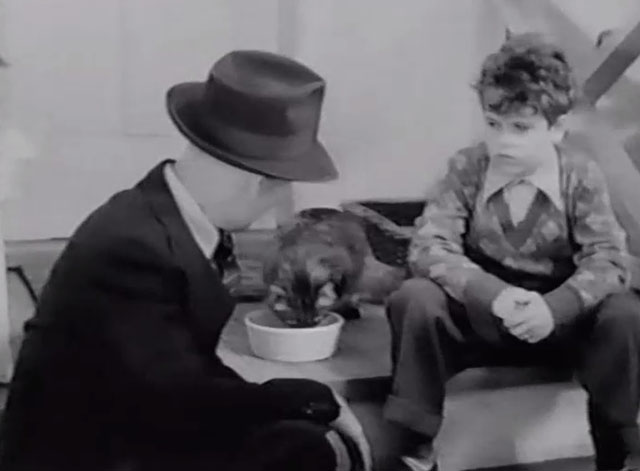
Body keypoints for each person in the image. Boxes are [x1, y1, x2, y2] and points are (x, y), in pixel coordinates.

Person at [0, 50, 371, 471]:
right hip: (85, 453)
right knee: (297, 448)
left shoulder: (163, 219)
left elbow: (187, 373)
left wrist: (296, 406)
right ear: (257, 181)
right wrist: (307, 397)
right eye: (280, 188)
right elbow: (177, 396)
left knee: (300, 444)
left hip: (137, 425)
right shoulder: (133, 244)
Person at [385, 33, 640, 471]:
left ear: (557, 127)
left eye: (521, 128)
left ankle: (619, 450)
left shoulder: (580, 175)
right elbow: (429, 244)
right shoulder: (468, 167)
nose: (504, 142)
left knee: (625, 314)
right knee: (415, 298)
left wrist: (556, 308)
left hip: (559, 322)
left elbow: (609, 258)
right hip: (484, 313)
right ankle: (416, 445)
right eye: (493, 124)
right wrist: (492, 295)